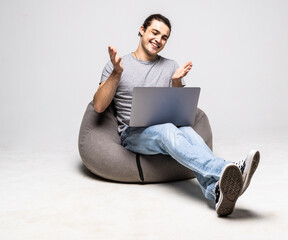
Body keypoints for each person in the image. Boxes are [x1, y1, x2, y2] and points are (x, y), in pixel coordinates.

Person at [93, 14, 260, 217]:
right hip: (133, 133)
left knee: (187, 131)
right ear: (142, 30)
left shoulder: (171, 66)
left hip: (166, 126)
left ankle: (215, 191)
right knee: (167, 130)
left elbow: (180, 110)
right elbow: (100, 106)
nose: (158, 40)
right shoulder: (117, 65)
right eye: (154, 32)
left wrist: (176, 82)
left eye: (164, 37)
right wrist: (117, 74)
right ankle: (228, 168)